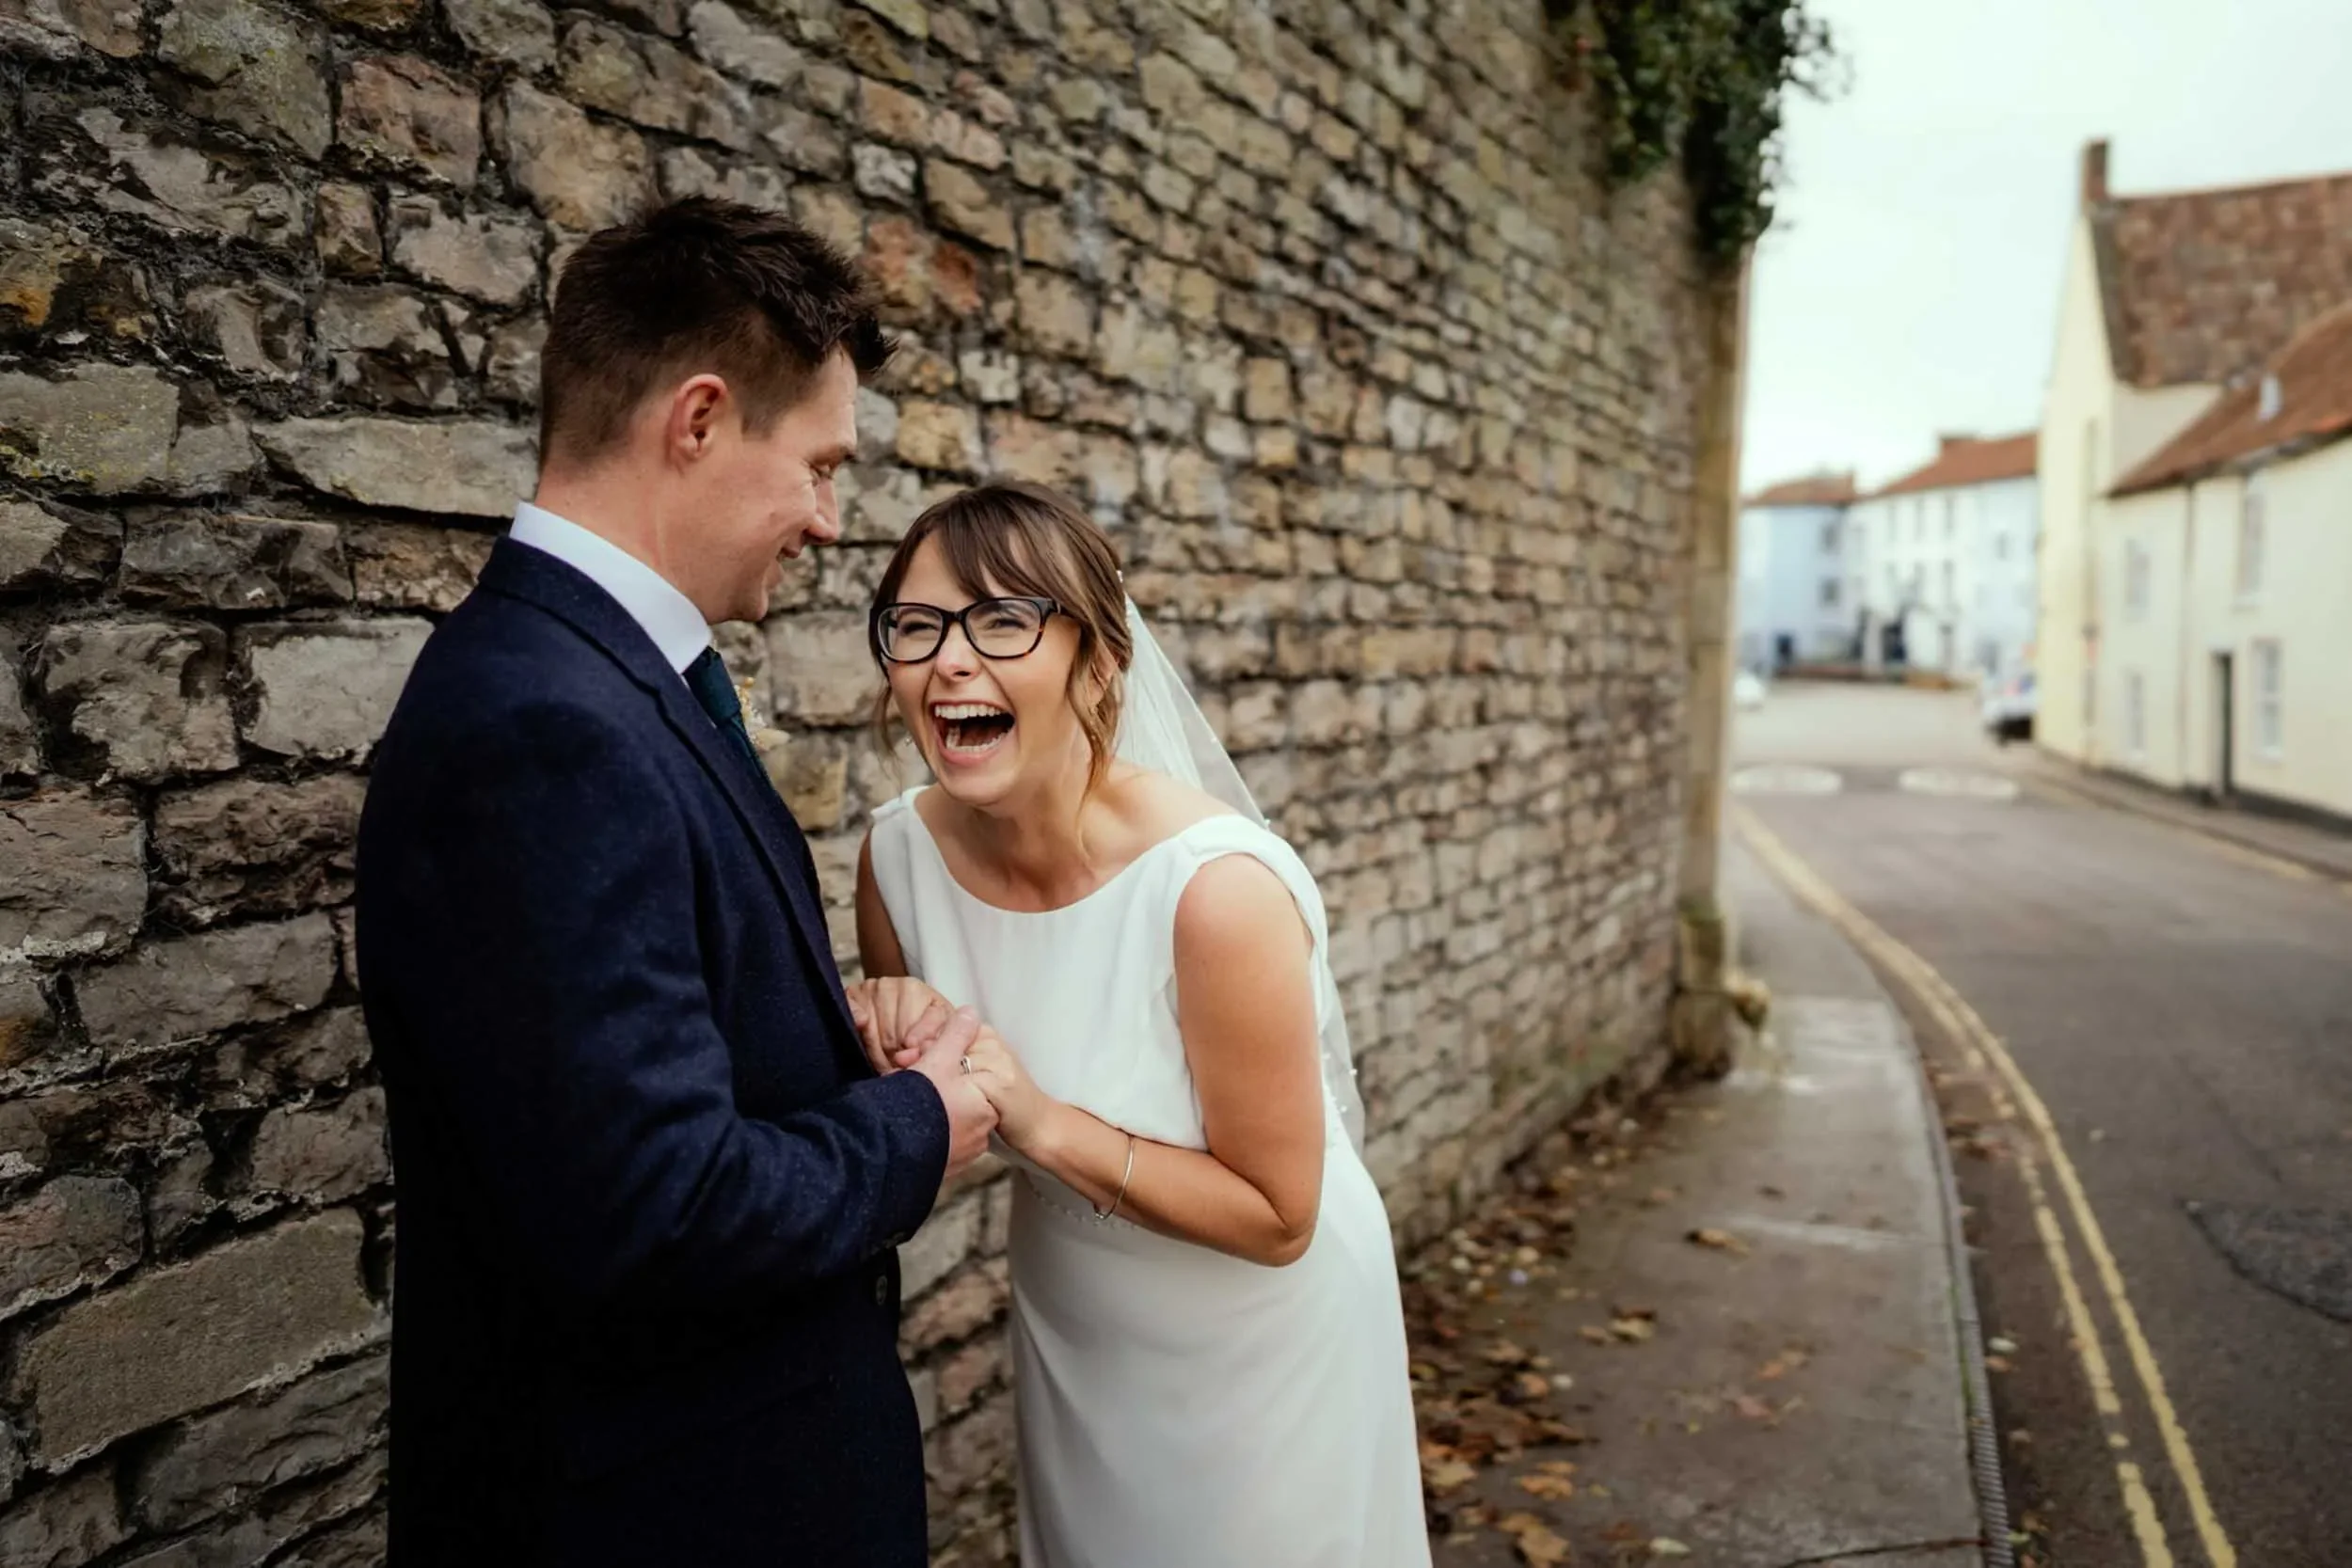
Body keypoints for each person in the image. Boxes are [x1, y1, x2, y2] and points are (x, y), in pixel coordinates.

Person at [355, 198, 997, 1568]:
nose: (830, 522)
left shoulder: (607, 678)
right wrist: (921, 1119)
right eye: (821, 466)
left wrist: (834, 1021)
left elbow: (598, 1038)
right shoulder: (548, 726)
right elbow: (659, 1208)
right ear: (698, 420)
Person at [851, 481, 1433, 1567]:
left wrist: (1039, 1119)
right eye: (917, 625)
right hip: (1077, 1327)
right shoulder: (895, 860)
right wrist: (888, 1044)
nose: (949, 661)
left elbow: (1278, 1213)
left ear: (1100, 662)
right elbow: (929, 1120)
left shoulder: (1213, 891)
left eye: (1004, 620)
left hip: (1263, 1344)